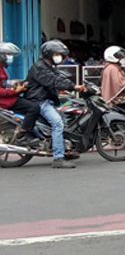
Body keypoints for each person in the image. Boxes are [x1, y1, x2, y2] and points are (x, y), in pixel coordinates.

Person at [25, 40, 86, 168]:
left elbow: (60, 78)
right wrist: (73, 86)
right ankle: (58, 158)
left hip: (47, 100)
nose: (60, 57)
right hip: (39, 101)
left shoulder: (49, 67)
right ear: (49, 54)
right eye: (57, 54)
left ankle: (64, 150)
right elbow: (53, 81)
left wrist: (75, 85)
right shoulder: (40, 67)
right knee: (57, 123)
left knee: (64, 122)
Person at [0, 42, 40, 147]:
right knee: (34, 108)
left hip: (9, 98)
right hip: (6, 101)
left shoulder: (2, 68)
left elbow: (4, 85)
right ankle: (23, 134)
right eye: (8, 54)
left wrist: (17, 86)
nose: (10, 57)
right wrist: (15, 91)